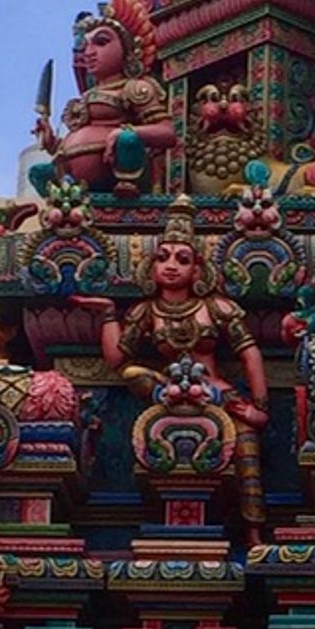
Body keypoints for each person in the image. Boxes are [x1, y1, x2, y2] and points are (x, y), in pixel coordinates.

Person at [99, 202, 269, 530]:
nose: (171, 266)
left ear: (197, 269)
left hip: (217, 394)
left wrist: (257, 408)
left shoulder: (216, 307)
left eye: (182, 259)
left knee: (248, 449)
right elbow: (118, 359)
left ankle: (253, 530)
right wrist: (107, 314)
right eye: (162, 258)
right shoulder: (145, 311)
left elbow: (250, 354)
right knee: (134, 374)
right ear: (150, 267)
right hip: (169, 390)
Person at [32, 0, 176, 199]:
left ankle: (126, 187)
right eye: (86, 45)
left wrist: (126, 132)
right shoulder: (86, 97)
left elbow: (167, 133)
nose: (89, 52)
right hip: (74, 180)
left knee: (127, 140)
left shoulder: (134, 87)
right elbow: (78, 140)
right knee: (37, 172)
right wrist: (52, 142)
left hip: (119, 171)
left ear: (128, 51)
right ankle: (63, 199)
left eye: (101, 42)